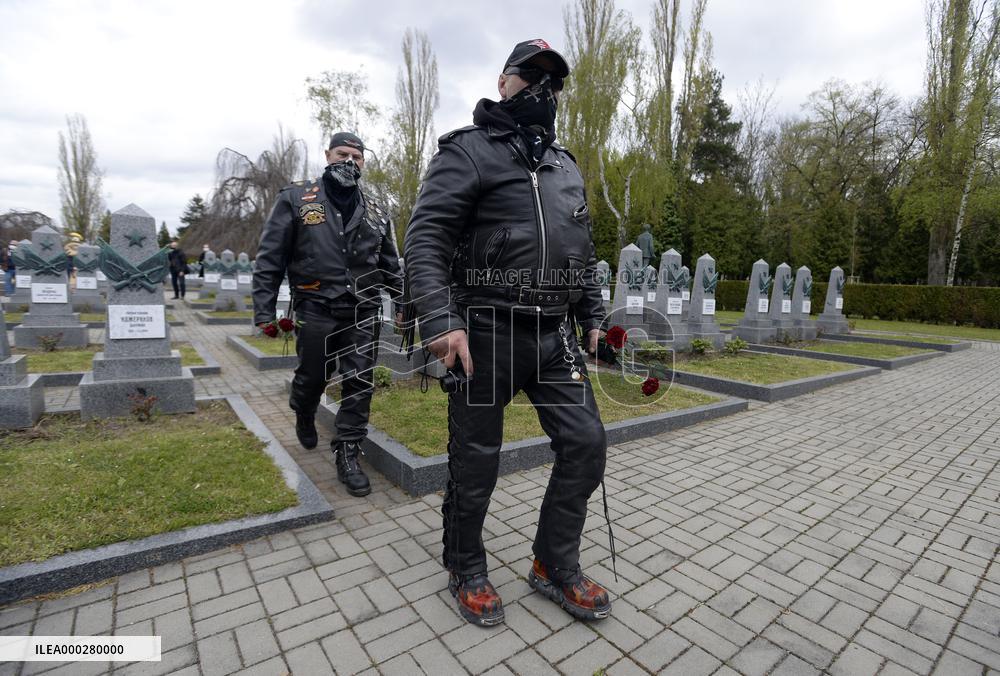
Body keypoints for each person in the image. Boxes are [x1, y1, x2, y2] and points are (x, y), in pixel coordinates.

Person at [404, 39, 612, 627]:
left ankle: (552, 563)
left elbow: (581, 250)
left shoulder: (564, 165)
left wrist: (593, 316)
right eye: (531, 75)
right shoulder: (467, 153)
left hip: (553, 337)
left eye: (554, 80)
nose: (543, 88)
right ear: (504, 82)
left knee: (587, 444)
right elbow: (426, 239)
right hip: (485, 330)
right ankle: (465, 566)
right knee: (477, 462)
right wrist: (441, 320)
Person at [253, 131, 403, 497]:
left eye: (357, 155)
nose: (349, 161)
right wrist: (263, 310)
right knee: (311, 377)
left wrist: (401, 302)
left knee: (359, 381)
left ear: (364, 162)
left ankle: (348, 452)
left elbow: (388, 261)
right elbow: (271, 256)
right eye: (342, 153)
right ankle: (304, 410)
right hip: (315, 305)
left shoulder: (377, 207)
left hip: (362, 308)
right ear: (327, 154)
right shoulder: (296, 198)